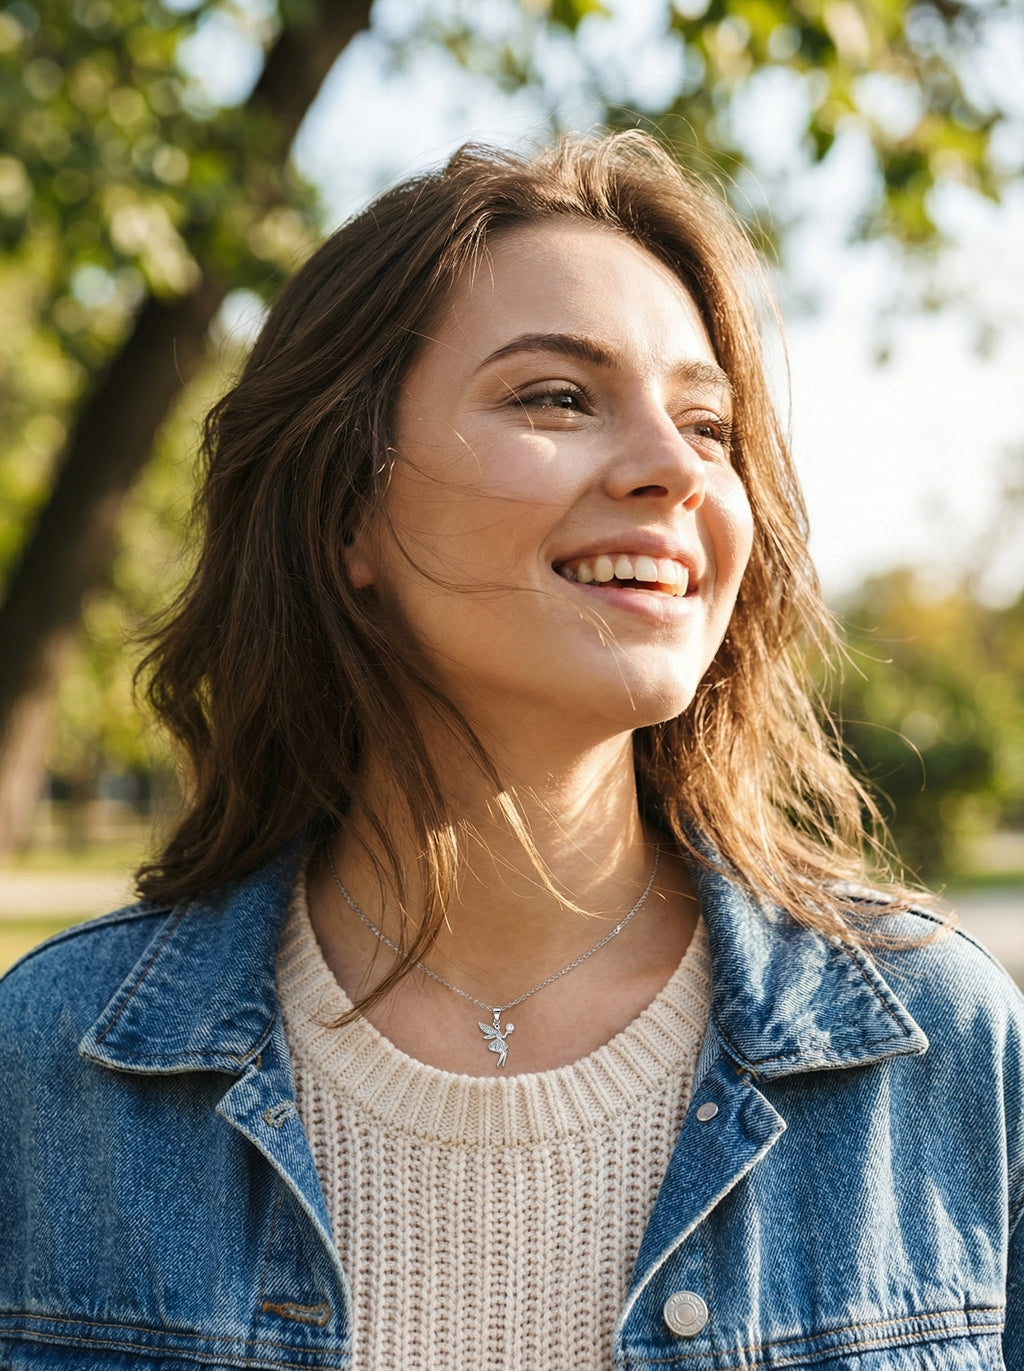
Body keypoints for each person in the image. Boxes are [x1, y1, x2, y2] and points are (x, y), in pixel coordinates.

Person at [1, 132, 1021, 1371]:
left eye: (708, 424)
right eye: (556, 397)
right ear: (344, 508)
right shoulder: (53, 1069)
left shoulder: (941, 1045)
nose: (672, 470)